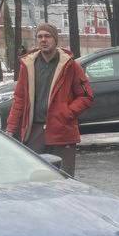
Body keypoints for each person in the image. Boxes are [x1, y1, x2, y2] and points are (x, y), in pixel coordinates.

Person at [6, 24, 93, 176]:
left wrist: (67, 112)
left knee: (63, 180)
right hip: (34, 132)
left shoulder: (70, 66)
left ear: (55, 39)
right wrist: (11, 128)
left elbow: (86, 96)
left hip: (62, 132)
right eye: (40, 37)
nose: (43, 40)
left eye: (47, 36)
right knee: (35, 179)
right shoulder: (28, 65)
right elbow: (19, 98)